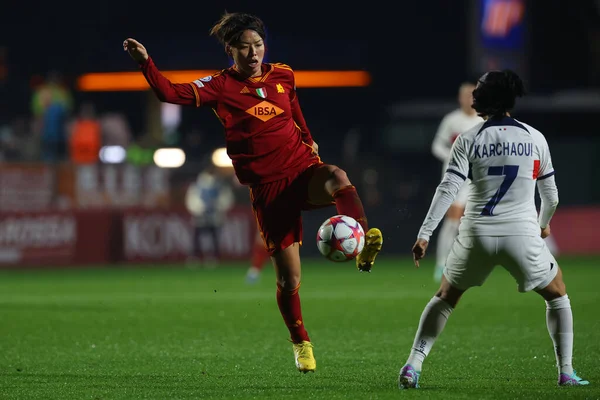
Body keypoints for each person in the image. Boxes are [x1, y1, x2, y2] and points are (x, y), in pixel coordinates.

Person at [123, 12, 383, 373]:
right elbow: (169, 93)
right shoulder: (219, 86)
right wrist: (146, 64)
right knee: (289, 279)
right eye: (244, 48)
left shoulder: (284, 75)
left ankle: (362, 241)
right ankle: (301, 342)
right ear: (230, 49)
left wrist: (308, 142)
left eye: (258, 45)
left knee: (338, 176)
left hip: (301, 169)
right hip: (268, 189)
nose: (253, 53)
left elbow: (295, 112)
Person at [398, 70, 589, 389]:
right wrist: (542, 227)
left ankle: (413, 365)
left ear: (483, 100)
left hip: (477, 234)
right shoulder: (534, 137)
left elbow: (447, 188)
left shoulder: (469, 139)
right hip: (521, 235)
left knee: (446, 295)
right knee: (556, 292)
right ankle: (566, 372)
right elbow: (551, 196)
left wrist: (424, 234)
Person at [430, 82, 483, 282]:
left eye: (472, 94)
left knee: (477, 222)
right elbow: (436, 145)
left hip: (478, 179)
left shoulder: (483, 120)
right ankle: (441, 264)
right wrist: (451, 157)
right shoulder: (451, 120)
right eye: (465, 95)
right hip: (455, 178)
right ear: (459, 98)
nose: (468, 98)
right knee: (452, 222)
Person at [185, 166, 235, 266]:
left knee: (214, 238)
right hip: (200, 216)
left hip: (215, 216)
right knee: (198, 238)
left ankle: (213, 257)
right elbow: (191, 200)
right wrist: (200, 209)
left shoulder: (220, 185)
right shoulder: (198, 186)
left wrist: (217, 207)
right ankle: (196, 256)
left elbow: (227, 199)